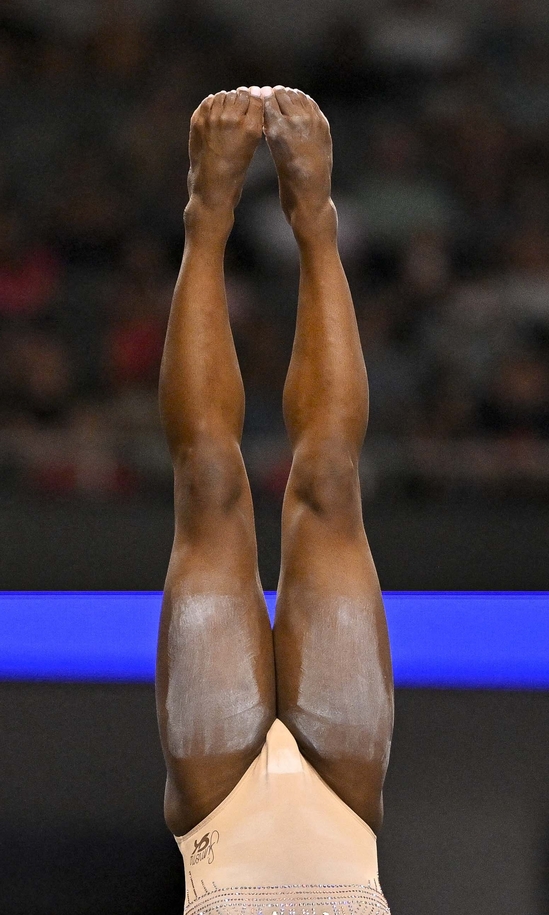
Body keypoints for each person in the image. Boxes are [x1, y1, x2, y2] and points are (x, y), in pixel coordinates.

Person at [156, 86, 392, 914]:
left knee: (209, 487)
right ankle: (315, 219)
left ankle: (207, 212)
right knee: (329, 480)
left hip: (226, 817)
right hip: (341, 819)